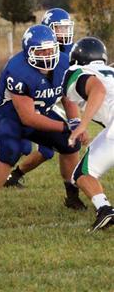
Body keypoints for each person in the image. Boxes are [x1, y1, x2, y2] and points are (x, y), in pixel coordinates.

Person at [0, 25, 85, 217]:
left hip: (40, 110)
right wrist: (65, 125)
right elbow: (28, 117)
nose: (47, 55)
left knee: (70, 144)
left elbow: (68, 97)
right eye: (41, 51)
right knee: (10, 153)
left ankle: (72, 197)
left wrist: (75, 122)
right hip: (7, 116)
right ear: (28, 52)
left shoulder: (64, 63)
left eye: (50, 50)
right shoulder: (18, 70)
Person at [64, 37, 114, 231]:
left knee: (82, 174)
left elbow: (98, 90)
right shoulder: (110, 71)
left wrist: (81, 125)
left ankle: (104, 209)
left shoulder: (75, 72)